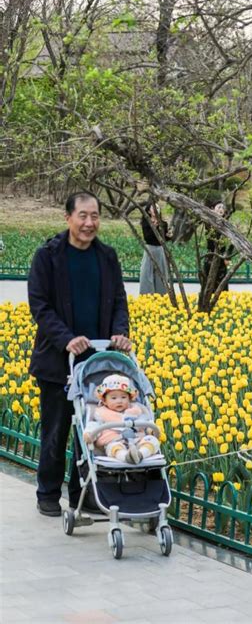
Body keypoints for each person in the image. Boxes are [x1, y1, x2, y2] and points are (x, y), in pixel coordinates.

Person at [28, 191, 132, 517]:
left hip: (97, 363)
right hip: (59, 360)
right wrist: (66, 339)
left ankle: (81, 494)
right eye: (83, 216)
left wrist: (120, 333)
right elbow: (40, 306)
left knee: (92, 432)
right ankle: (48, 492)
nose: (89, 223)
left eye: (95, 216)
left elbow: (118, 300)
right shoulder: (48, 256)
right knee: (56, 430)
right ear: (68, 218)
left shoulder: (107, 256)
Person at [83, 374, 159, 464]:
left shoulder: (136, 410)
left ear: (130, 399)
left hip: (138, 441)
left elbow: (145, 421)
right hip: (114, 441)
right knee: (114, 447)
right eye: (113, 398)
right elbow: (94, 425)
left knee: (152, 440)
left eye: (123, 397)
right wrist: (90, 434)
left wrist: (150, 429)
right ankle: (125, 457)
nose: (119, 401)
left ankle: (141, 454)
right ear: (104, 401)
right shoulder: (101, 413)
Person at [139, 201, 172, 295]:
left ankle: (161, 296)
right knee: (147, 274)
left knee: (161, 275)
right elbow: (147, 237)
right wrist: (154, 226)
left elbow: (163, 239)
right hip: (149, 249)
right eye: (154, 208)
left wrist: (170, 236)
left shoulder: (164, 224)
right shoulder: (146, 223)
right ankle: (147, 296)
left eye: (158, 208)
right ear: (149, 211)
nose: (157, 209)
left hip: (160, 250)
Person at [201, 202, 233, 295]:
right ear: (213, 209)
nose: (221, 209)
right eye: (218, 207)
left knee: (221, 286)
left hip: (222, 257)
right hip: (210, 256)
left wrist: (228, 257)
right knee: (209, 283)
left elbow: (232, 242)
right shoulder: (208, 223)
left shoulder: (226, 225)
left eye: (223, 207)